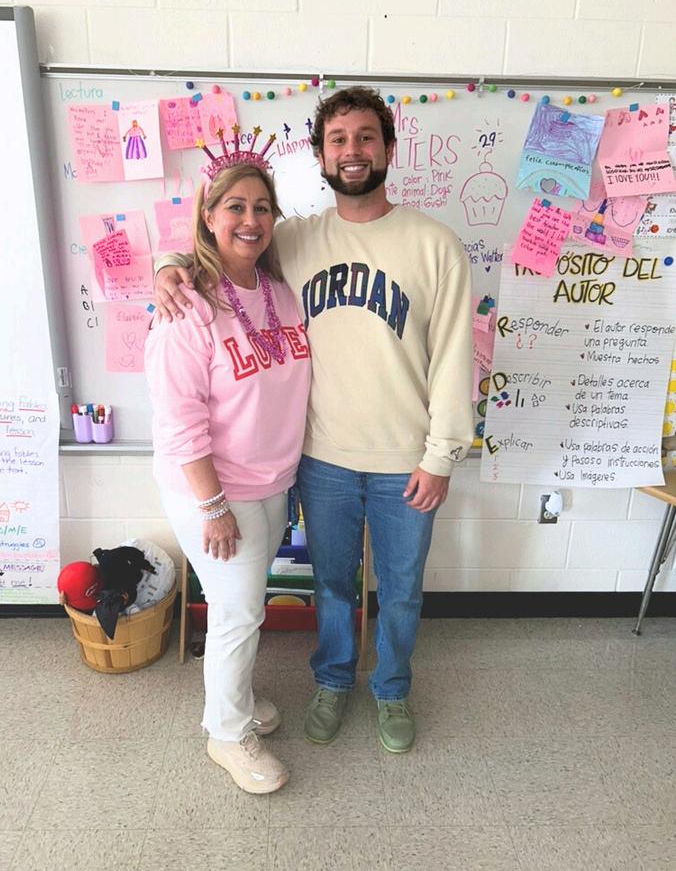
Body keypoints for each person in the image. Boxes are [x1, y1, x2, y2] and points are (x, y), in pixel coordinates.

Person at [154, 87, 473, 754]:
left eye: (365, 137)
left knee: (402, 590)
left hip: (407, 460)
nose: (352, 151)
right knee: (331, 585)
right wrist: (167, 267)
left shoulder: (435, 245)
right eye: (338, 140)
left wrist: (443, 453)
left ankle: (392, 688)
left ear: (388, 148)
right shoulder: (294, 239)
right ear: (321, 155)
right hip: (321, 459)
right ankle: (332, 680)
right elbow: (221, 251)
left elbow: (453, 356)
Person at [144, 153, 311, 794]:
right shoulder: (185, 308)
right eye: (235, 207)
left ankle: (232, 697)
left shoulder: (280, 291)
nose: (250, 219)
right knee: (239, 611)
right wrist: (212, 506)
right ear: (209, 216)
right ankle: (225, 731)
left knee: (245, 606)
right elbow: (179, 422)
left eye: (262, 208)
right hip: (212, 489)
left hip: (271, 482)